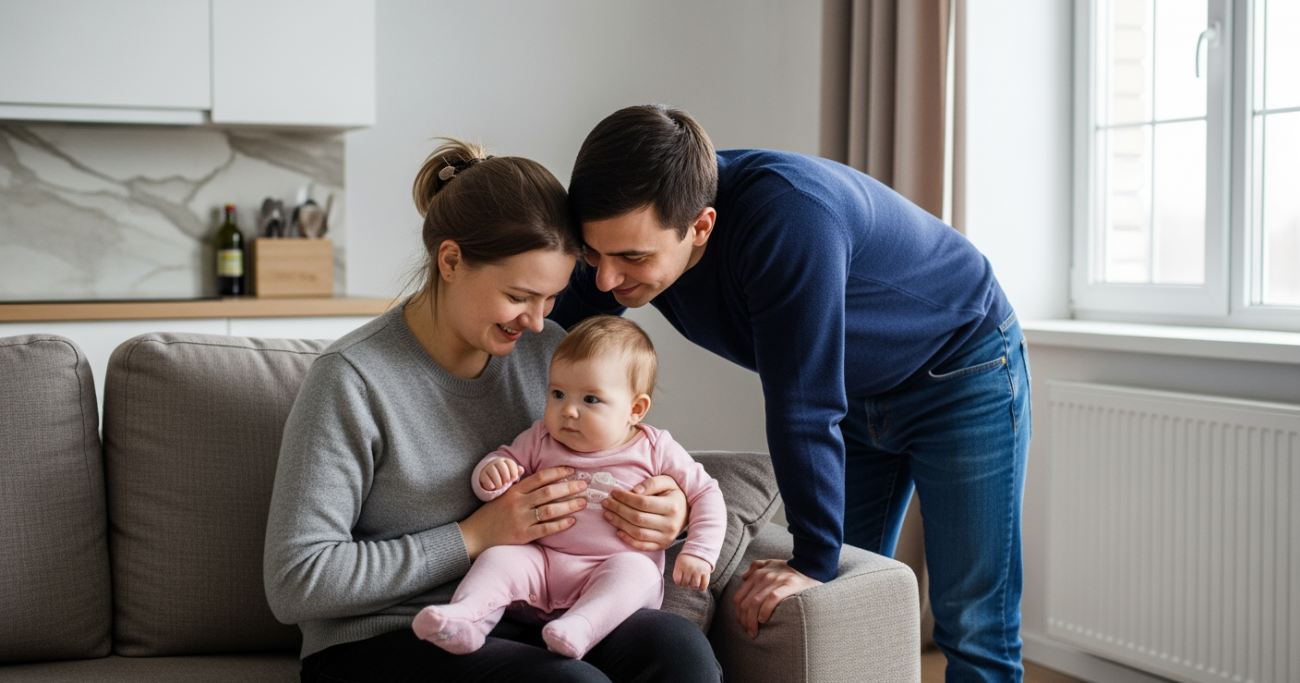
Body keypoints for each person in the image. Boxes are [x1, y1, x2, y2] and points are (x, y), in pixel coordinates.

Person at [550, 105, 1031, 683]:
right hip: (852, 388)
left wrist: (811, 559)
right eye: (592, 254)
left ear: (700, 226)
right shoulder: (626, 248)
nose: (605, 280)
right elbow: (549, 331)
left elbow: (804, 405)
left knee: (975, 624)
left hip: (962, 369)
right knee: (845, 610)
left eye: (632, 258)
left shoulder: (787, 220)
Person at [263, 139, 722, 683]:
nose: (535, 321)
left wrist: (670, 515)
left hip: (532, 611)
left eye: (550, 299)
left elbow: (628, 455)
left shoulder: (548, 353)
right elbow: (296, 581)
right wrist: (476, 536)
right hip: (383, 638)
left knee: (678, 647)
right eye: (520, 295)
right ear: (451, 260)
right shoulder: (352, 380)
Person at [413, 315, 726, 660]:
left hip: (610, 568)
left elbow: (706, 494)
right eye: (558, 394)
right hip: (542, 563)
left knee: (635, 571)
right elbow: (503, 462)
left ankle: (581, 628)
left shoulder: (655, 448)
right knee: (499, 558)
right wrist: (492, 474)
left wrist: (699, 552)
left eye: (590, 400)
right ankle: (465, 620)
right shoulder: (539, 438)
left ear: (635, 409)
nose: (568, 411)